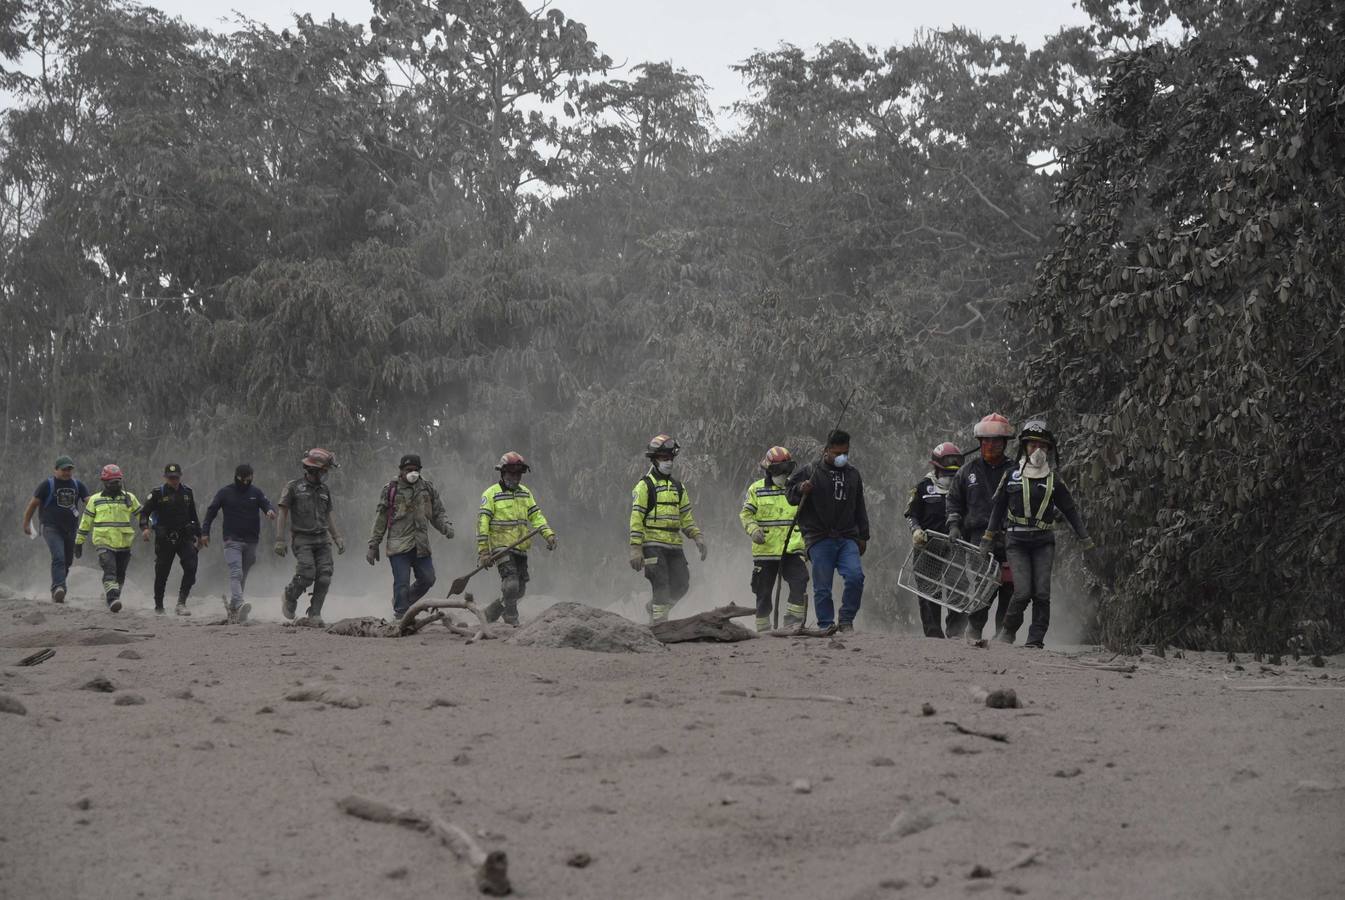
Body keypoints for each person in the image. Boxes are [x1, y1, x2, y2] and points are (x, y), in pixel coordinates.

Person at [983, 420, 1094, 648]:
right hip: (1016, 541)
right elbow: (998, 509)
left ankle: (1035, 640)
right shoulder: (1011, 475)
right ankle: (1007, 633)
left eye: (1042, 446)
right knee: (1022, 592)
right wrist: (988, 537)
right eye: (1033, 445)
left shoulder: (1054, 479)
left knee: (1042, 593)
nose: (1037, 450)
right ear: (1024, 447)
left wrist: (1086, 540)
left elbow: (1070, 511)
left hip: (1043, 542)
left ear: (1049, 450)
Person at [786, 430, 869, 632]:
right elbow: (789, 493)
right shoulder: (810, 470)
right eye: (837, 453)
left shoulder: (853, 474)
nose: (841, 457)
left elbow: (860, 505)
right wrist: (800, 489)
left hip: (847, 536)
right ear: (826, 451)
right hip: (819, 537)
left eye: (845, 453)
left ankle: (846, 619)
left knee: (855, 577)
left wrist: (864, 535)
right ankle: (826, 624)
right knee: (822, 587)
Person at [945, 412, 1017, 640]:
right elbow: (953, 500)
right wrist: (954, 525)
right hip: (978, 538)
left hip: (1011, 537)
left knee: (1009, 587)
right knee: (985, 585)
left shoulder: (1016, 471)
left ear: (1005, 443)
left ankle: (1004, 635)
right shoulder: (967, 471)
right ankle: (974, 629)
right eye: (986, 440)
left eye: (996, 440)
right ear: (979, 443)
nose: (990, 445)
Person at [628, 434, 706, 624]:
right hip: (652, 545)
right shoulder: (644, 486)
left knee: (682, 584)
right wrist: (636, 548)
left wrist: (697, 537)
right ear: (654, 460)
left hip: (674, 545)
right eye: (664, 458)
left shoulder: (678, 487)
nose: (668, 462)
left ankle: (653, 608)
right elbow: (636, 517)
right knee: (661, 584)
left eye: (670, 458)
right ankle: (659, 627)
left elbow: (686, 517)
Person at [368, 453, 455, 619]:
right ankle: (400, 617)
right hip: (398, 546)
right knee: (402, 582)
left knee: (428, 579)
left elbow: (437, 513)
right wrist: (373, 545)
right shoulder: (391, 490)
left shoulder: (427, 488)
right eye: (409, 470)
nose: (413, 473)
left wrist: (446, 527)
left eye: (416, 470)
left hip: (421, 545)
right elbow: (381, 518)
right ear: (401, 470)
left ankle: (403, 602)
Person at [475, 451, 555, 625]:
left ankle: (491, 612)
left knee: (519, 590)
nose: (516, 477)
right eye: (512, 473)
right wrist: (483, 552)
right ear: (503, 472)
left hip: (521, 547)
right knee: (511, 584)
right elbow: (482, 524)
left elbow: (536, 516)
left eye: (519, 473)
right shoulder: (491, 494)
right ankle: (511, 618)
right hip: (501, 547)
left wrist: (548, 534)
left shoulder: (525, 493)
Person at [740, 446, 809, 632]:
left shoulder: (795, 490)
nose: (784, 474)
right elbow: (746, 514)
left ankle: (792, 623)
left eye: (787, 469)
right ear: (769, 470)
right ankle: (763, 630)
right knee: (763, 594)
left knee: (800, 581)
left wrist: (807, 546)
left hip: (791, 550)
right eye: (779, 470)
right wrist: (753, 530)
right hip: (765, 552)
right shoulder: (756, 490)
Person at [201, 464, 277, 624]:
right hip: (232, 540)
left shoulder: (256, 492)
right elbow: (211, 511)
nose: (247, 482)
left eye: (250, 478)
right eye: (245, 479)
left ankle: (234, 608)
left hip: (251, 541)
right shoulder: (225, 492)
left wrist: (269, 511)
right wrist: (205, 532)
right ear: (237, 477)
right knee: (236, 572)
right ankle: (240, 603)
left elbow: (266, 504)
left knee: (243, 575)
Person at [275, 448, 344, 624]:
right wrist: (279, 540)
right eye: (324, 471)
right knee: (306, 573)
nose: (326, 474)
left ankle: (315, 613)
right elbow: (282, 512)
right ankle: (290, 596)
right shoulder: (293, 487)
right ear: (313, 470)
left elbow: (328, 515)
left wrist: (337, 537)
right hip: (302, 539)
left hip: (322, 540)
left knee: (325, 576)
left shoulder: (324, 490)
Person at [903, 442, 962, 638]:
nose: (950, 477)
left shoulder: (963, 487)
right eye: (946, 472)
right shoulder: (922, 487)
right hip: (927, 546)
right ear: (936, 466)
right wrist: (916, 530)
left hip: (954, 545)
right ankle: (933, 634)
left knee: (957, 588)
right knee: (929, 592)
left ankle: (955, 632)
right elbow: (911, 514)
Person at [21, 455, 90, 604]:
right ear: (56, 470)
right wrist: (26, 523)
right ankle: (59, 588)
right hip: (50, 527)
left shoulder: (78, 485)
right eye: (64, 469)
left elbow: (90, 504)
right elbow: (33, 504)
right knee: (58, 556)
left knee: (67, 561)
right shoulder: (47, 485)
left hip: (71, 529)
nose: (67, 472)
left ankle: (57, 588)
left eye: (69, 469)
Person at [75, 465, 142, 613]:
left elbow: (142, 515)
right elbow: (86, 522)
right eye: (112, 482)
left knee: (120, 575)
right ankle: (112, 599)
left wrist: (151, 526)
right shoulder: (95, 500)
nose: (116, 485)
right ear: (104, 482)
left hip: (124, 543)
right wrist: (79, 542)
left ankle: (112, 597)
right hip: (103, 542)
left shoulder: (129, 498)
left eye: (118, 481)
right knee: (110, 570)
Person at [138, 463, 202, 616]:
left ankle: (181, 603)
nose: (174, 480)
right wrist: (145, 528)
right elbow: (144, 513)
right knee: (162, 573)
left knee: (191, 567)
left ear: (180, 476)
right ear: (165, 477)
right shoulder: (157, 493)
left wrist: (200, 535)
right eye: (171, 477)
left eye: (176, 477)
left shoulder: (188, 492)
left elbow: (193, 515)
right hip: (165, 539)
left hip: (184, 537)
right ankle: (159, 606)